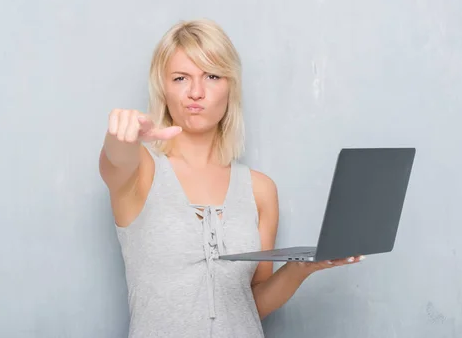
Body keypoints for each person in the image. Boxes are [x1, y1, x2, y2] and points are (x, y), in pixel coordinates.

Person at [99, 18, 362, 338]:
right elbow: (115, 161)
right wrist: (120, 135)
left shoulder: (260, 190)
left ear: (230, 86)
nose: (196, 92)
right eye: (181, 78)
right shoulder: (141, 168)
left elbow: (251, 303)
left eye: (211, 76)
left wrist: (300, 268)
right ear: (163, 88)